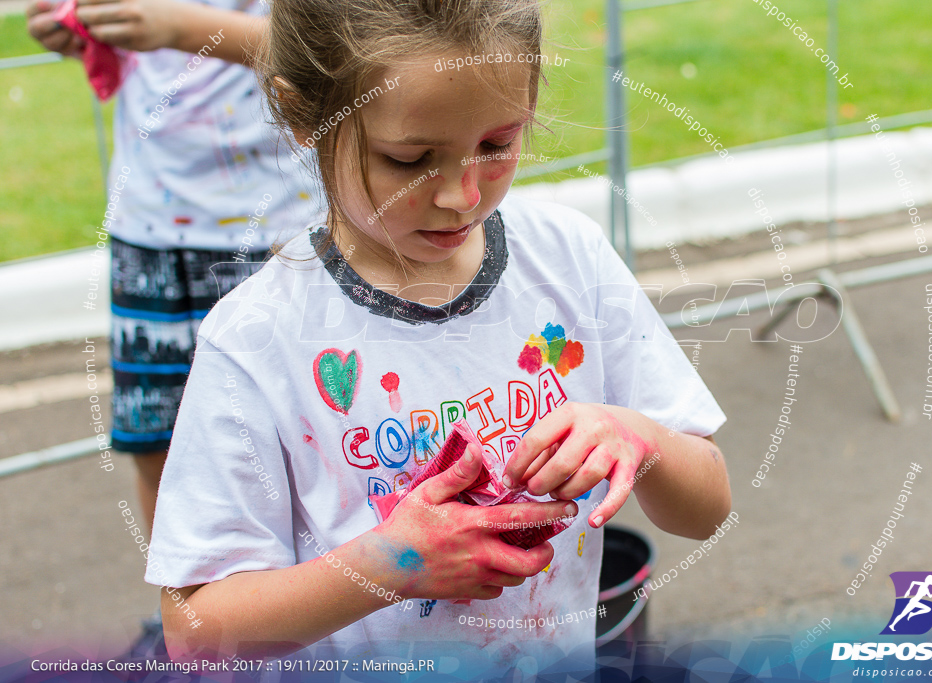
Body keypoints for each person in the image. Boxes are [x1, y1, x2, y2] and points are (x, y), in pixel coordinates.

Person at [144, 0, 731, 675]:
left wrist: (642, 438)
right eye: (409, 159)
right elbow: (193, 630)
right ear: (305, 115)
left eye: (496, 145)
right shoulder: (255, 339)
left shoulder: (569, 259)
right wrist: (389, 563)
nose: (459, 194)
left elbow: (707, 505)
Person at [25, 0, 322, 658]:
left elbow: (337, 38)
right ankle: (186, 631)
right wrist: (75, 29)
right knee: (158, 441)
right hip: (150, 223)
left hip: (272, 226)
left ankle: (293, 631)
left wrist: (183, 29)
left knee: (290, 451)